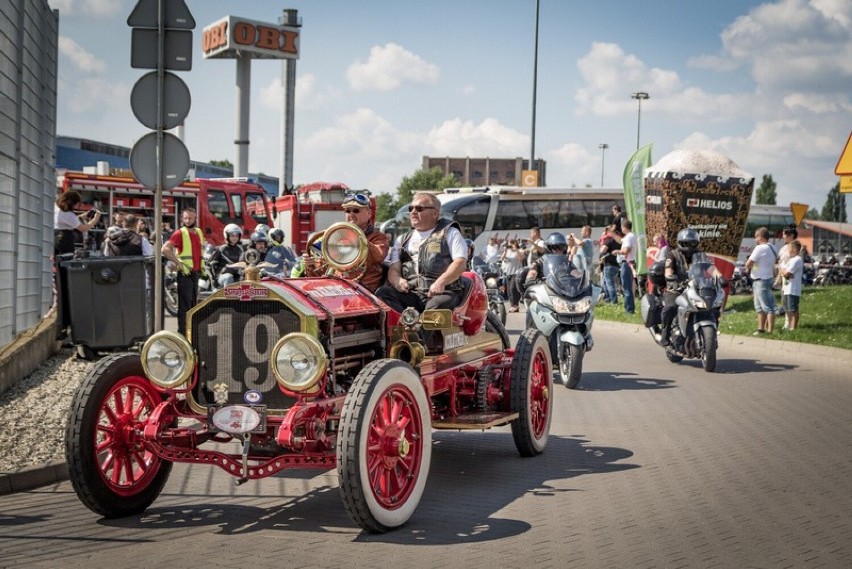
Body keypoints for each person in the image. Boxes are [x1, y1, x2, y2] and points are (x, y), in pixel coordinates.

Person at [375, 192, 468, 313]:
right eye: (411, 208)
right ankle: (407, 325)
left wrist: (441, 282)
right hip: (412, 293)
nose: (413, 212)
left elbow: (460, 263)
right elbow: (394, 268)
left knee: (434, 307)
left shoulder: (450, 233)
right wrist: (397, 281)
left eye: (419, 208)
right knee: (382, 293)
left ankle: (416, 331)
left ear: (434, 213)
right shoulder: (402, 239)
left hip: (443, 293)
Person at [161, 207, 206, 334]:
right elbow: (165, 249)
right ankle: (182, 333)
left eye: (190, 218)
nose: (188, 220)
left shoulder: (198, 232)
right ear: (182, 219)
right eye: (185, 218)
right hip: (184, 274)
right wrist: (177, 262)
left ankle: (190, 332)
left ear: (195, 218)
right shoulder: (179, 233)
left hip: (195, 273)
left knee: (193, 305)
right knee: (184, 306)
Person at [337, 191, 390, 291]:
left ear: (369, 213)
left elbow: (378, 255)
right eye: (347, 211)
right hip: (338, 287)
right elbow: (324, 267)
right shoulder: (338, 236)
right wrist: (311, 265)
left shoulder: (379, 238)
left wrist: (356, 236)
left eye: (356, 210)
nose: (351, 214)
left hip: (365, 289)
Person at [659, 228, 701, 346]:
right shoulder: (672, 254)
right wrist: (670, 276)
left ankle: (709, 332)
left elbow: (711, 268)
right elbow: (668, 269)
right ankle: (665, 333)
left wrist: (719, 277)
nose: (689, 246)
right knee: (670, 307)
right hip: (676, 288)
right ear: (680, 243)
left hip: (696, 288)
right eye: (686, 243)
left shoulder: (700, 254)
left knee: (711, 306)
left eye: (692, 243)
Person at [745, 226, 777, 335]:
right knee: (760, 307)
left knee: (766, 307)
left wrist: (748, 266)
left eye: (756, 237)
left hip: (760, 280)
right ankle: (761, 329)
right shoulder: (773, 247)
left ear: (760, 236)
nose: (755, 239)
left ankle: (769, 331)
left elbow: (749, 263)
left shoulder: (759, 248)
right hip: (768, 278)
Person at [54, 191, 102, 256]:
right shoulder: (69, 215)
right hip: (66, 240)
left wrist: (81, 217)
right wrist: (95, 219)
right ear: (73, 203)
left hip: (55, 237)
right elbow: (83, 228)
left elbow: (66, 221)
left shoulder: (57, 209)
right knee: (65, 261)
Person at [779, 239, 803, 331]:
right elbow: (782, 271)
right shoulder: (790, 260)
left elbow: (786, 273)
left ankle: (794, 327)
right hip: (786, 288)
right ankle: (789, 326)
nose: (787, 250)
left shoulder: (797, 260)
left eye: (788, 248)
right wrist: (784, 272)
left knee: (793, 309)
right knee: (788, 308)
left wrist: (785, 272)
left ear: (793, 249)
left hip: (793, 289)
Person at [614, 219, 637, 314]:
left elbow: (626, 250)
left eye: (621, 227)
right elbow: (620, 240)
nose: (621, 228)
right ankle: (630, 308)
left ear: (624, 227)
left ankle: (629, 310)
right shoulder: (631, 236)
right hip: (630, 262)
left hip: (626, 263)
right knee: (628, 287)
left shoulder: (628, 238)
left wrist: (617, 251)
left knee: (626, 287)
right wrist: (612, 234)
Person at [500, 238, 525, 312]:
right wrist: (505, 250)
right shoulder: (507, 251)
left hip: (516, 272)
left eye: (512, 243)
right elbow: (502, 258)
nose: (511, 245)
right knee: (508, 290)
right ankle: (513, 305)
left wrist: (516, 249)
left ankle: (515, 305)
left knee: (513, 288)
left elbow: (521, 258)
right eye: (510, 243)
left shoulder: (520, 250)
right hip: (508, 273)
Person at [599, 225, 621, 304]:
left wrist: (600, 252)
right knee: (606, 281)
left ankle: (614, 301)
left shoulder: (609, 240)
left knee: (609, 283)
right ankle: (607, 299)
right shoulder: (619, 242)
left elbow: (603, 250)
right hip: (617, 264)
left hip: (609, 264)